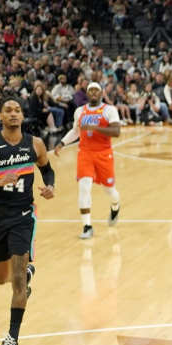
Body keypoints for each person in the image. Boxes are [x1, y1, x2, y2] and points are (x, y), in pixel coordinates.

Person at [0, 96, 55, 345]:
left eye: (17, 110)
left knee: (17, 279)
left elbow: (47, 170)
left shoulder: (35, 144)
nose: (14, 113)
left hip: (22, 216)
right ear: (0, 116)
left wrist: (50, 186)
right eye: (8, 110)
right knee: (1, 278)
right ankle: (26, 274)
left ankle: (12, 340)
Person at [54, 82, 121, 239]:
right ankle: (87, 226)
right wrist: (62, 142)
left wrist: (94, 128)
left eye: (96, 90)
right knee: (84, 188)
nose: (93, 92)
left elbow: (116, 131)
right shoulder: (80, 111)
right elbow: (75, 132)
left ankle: (115, 205)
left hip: (104, 154)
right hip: (85, 153)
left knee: (110, 191)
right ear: (87, 93)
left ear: (101, 93)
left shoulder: (109, 110)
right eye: (91, 90)